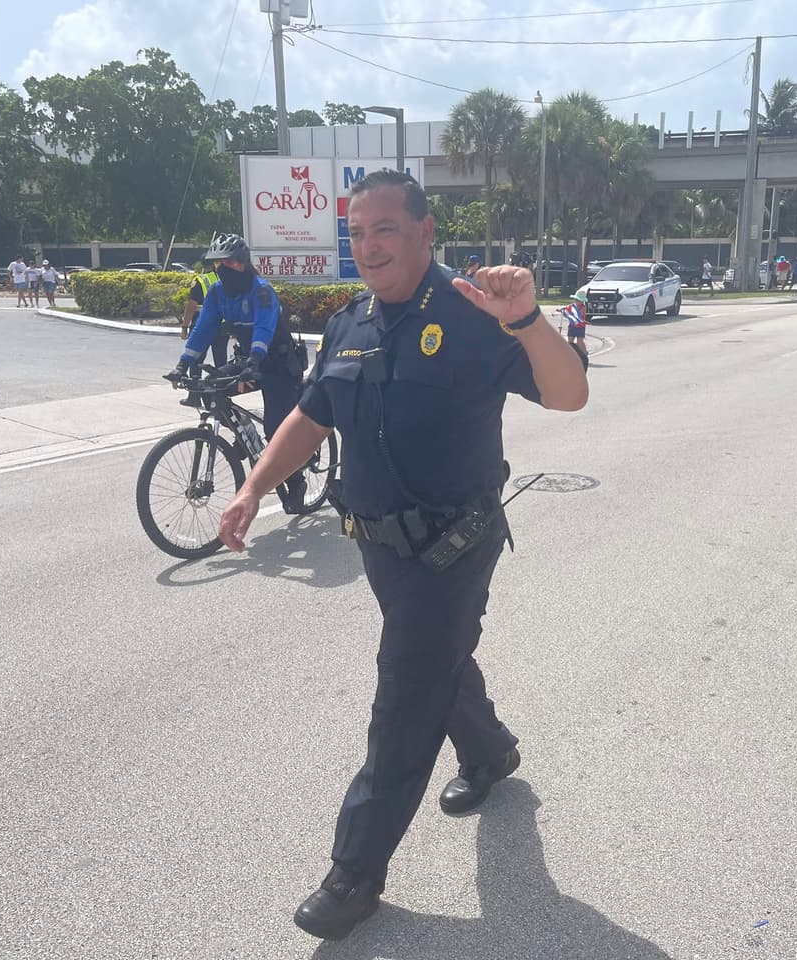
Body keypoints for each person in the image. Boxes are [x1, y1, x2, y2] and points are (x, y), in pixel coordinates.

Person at [216, 170, 587, 942]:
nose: (369, 245)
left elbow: (568, 394)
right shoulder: (349, 323)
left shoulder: (474, 312)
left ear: (425, 233)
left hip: (454, 545)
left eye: (385, 228)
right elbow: (311, 418)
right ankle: (489, 752)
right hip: (380, 548)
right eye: (357, 232)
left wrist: (528, 321)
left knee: (405, 693)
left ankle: (354, 873)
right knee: (435, 662)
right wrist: (253, 486)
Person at [168, 233, 309, 513]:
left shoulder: (261, 290)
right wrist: (183, 363)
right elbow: (203, 328)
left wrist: (255, 360)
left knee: (276, 429)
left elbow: (264, 328)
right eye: (219, 264)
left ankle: (296, 482)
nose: (224, 269)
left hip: (279, 364)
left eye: (230, 263)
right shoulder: (217, 292)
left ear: (243, 262)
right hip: (249, 361)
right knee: (211, 387)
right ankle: (245, 435)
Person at [179, 250, 222, 363]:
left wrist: (184, 327)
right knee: (221, 361)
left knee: (196, 360)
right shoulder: (222, 279)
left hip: (202, 325)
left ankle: (195, 375)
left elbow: (191, 306)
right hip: (221, 327)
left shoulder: (200, 281)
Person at [562, 290, 589, 357]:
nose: (577, 302)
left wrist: (570, 313)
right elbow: (567, 314)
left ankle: (584, 353)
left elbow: (578, 316)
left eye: (579, 301)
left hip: (580, 327)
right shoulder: (571, 306)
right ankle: (570, 354)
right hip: (572, 326)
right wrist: (564, 312)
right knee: (570, 341)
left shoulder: (583, 307)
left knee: (580, 342)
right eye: (576, 300)